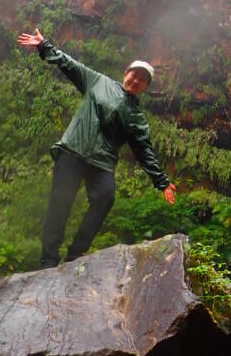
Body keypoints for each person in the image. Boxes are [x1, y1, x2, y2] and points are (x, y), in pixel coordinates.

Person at [17, 28, 176, 268]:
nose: (136, 81)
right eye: (134, 75)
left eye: (142, 80)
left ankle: (75, 254)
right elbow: (69, 64)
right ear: (126, 73)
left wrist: (161, 181)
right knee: (60, 202)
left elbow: (144, 151)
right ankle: (49, 260)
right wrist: (43, 45)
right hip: (74, 149)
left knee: (106, 195)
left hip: (102, 162)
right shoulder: (98, 82)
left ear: (145, 87)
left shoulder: (137, 118)